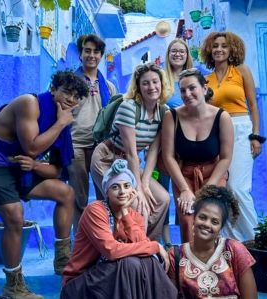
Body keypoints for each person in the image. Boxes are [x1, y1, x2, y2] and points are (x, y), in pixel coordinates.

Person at [0, 71, 89, 299]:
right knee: (15, 215)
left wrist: (35, 166)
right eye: (66, 92)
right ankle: (13, 286)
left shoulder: (61, 121)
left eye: (76, 96)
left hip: (20, 168)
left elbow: (57, 170)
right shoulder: (30, 104)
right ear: (53, 89)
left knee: (65, 193)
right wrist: (62, 123)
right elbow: (33, 147)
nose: (71, 100)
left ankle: (63, 260)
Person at [61, 159, 177, 299]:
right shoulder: (96, 210)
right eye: (115, 187)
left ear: (133, 190)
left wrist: (125, 213)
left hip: (110, 279)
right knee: (130, 264)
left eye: (127, 186)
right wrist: (156, 246)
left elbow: (142, 246)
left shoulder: (135, 217)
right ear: (107, 191)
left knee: (146, 261)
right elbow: (111, 250)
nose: (122, 192)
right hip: (81, 284)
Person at [90, 62, 171, 242]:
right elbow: (133, 153)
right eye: (145, 83)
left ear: (162, 84)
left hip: (128, 163)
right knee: (132, 201)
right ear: (138, 87)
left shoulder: (164, 112)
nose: (151, 87)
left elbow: (152, 152)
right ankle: (126, 248)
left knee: (163, 199)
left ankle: (147, 245)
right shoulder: (129, 107)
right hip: (107, 158)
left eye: (155, 82)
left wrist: (146, 184)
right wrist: (139, 189)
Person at [201, 32, 264, 241]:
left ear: (231, 50)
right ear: (210, 50)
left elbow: (253, 105)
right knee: (224, 188)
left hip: (241, 128)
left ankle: (256, 238)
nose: (219, 49)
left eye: (224, 46)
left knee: (239, 188)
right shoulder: (206, 80)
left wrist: (256, 135)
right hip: (217, 132)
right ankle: (232, 241)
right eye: (215, 46)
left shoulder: (241, 71)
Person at [161, 68, 233, 243]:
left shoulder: (222, 117)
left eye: (192, 88)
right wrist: (185, 190)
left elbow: (225, 158)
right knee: (187, 218)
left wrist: (208, 188)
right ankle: (189, 265)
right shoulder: (172, 116)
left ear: (204, 89)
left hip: (214, 174)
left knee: (209, 218)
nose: (187, 94)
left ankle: (213, 261)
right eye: (183, 90)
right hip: (184, 175)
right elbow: (168, 156)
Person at [168, 185, 257, 299]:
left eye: (214, 222)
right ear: (194, 218)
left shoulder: (234, 250)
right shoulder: (175, 256)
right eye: (203, 217)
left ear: (221, 227)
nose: (207, 224)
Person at [69, 34, 117, 233]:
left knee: (105, 196)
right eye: (87, 50)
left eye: (96, 51)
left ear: (101, 55)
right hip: (75, 144)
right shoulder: (70, 82)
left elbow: (114, 117)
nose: (91, 55)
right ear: (80, 54)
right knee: (78, 197)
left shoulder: (109, 87)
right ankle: (80, 243)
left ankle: (102, 239)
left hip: (100, 147)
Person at [160, 38, 194, 248]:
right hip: (165, 143)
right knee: (163, 191)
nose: (178, 54)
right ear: (168, 54)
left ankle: (186, 238)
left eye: (182, 51)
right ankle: (166, 241)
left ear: (187, 54)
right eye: (174, 51)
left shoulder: (194, 77)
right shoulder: (162, 78)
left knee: (185, 190)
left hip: (189, 144)